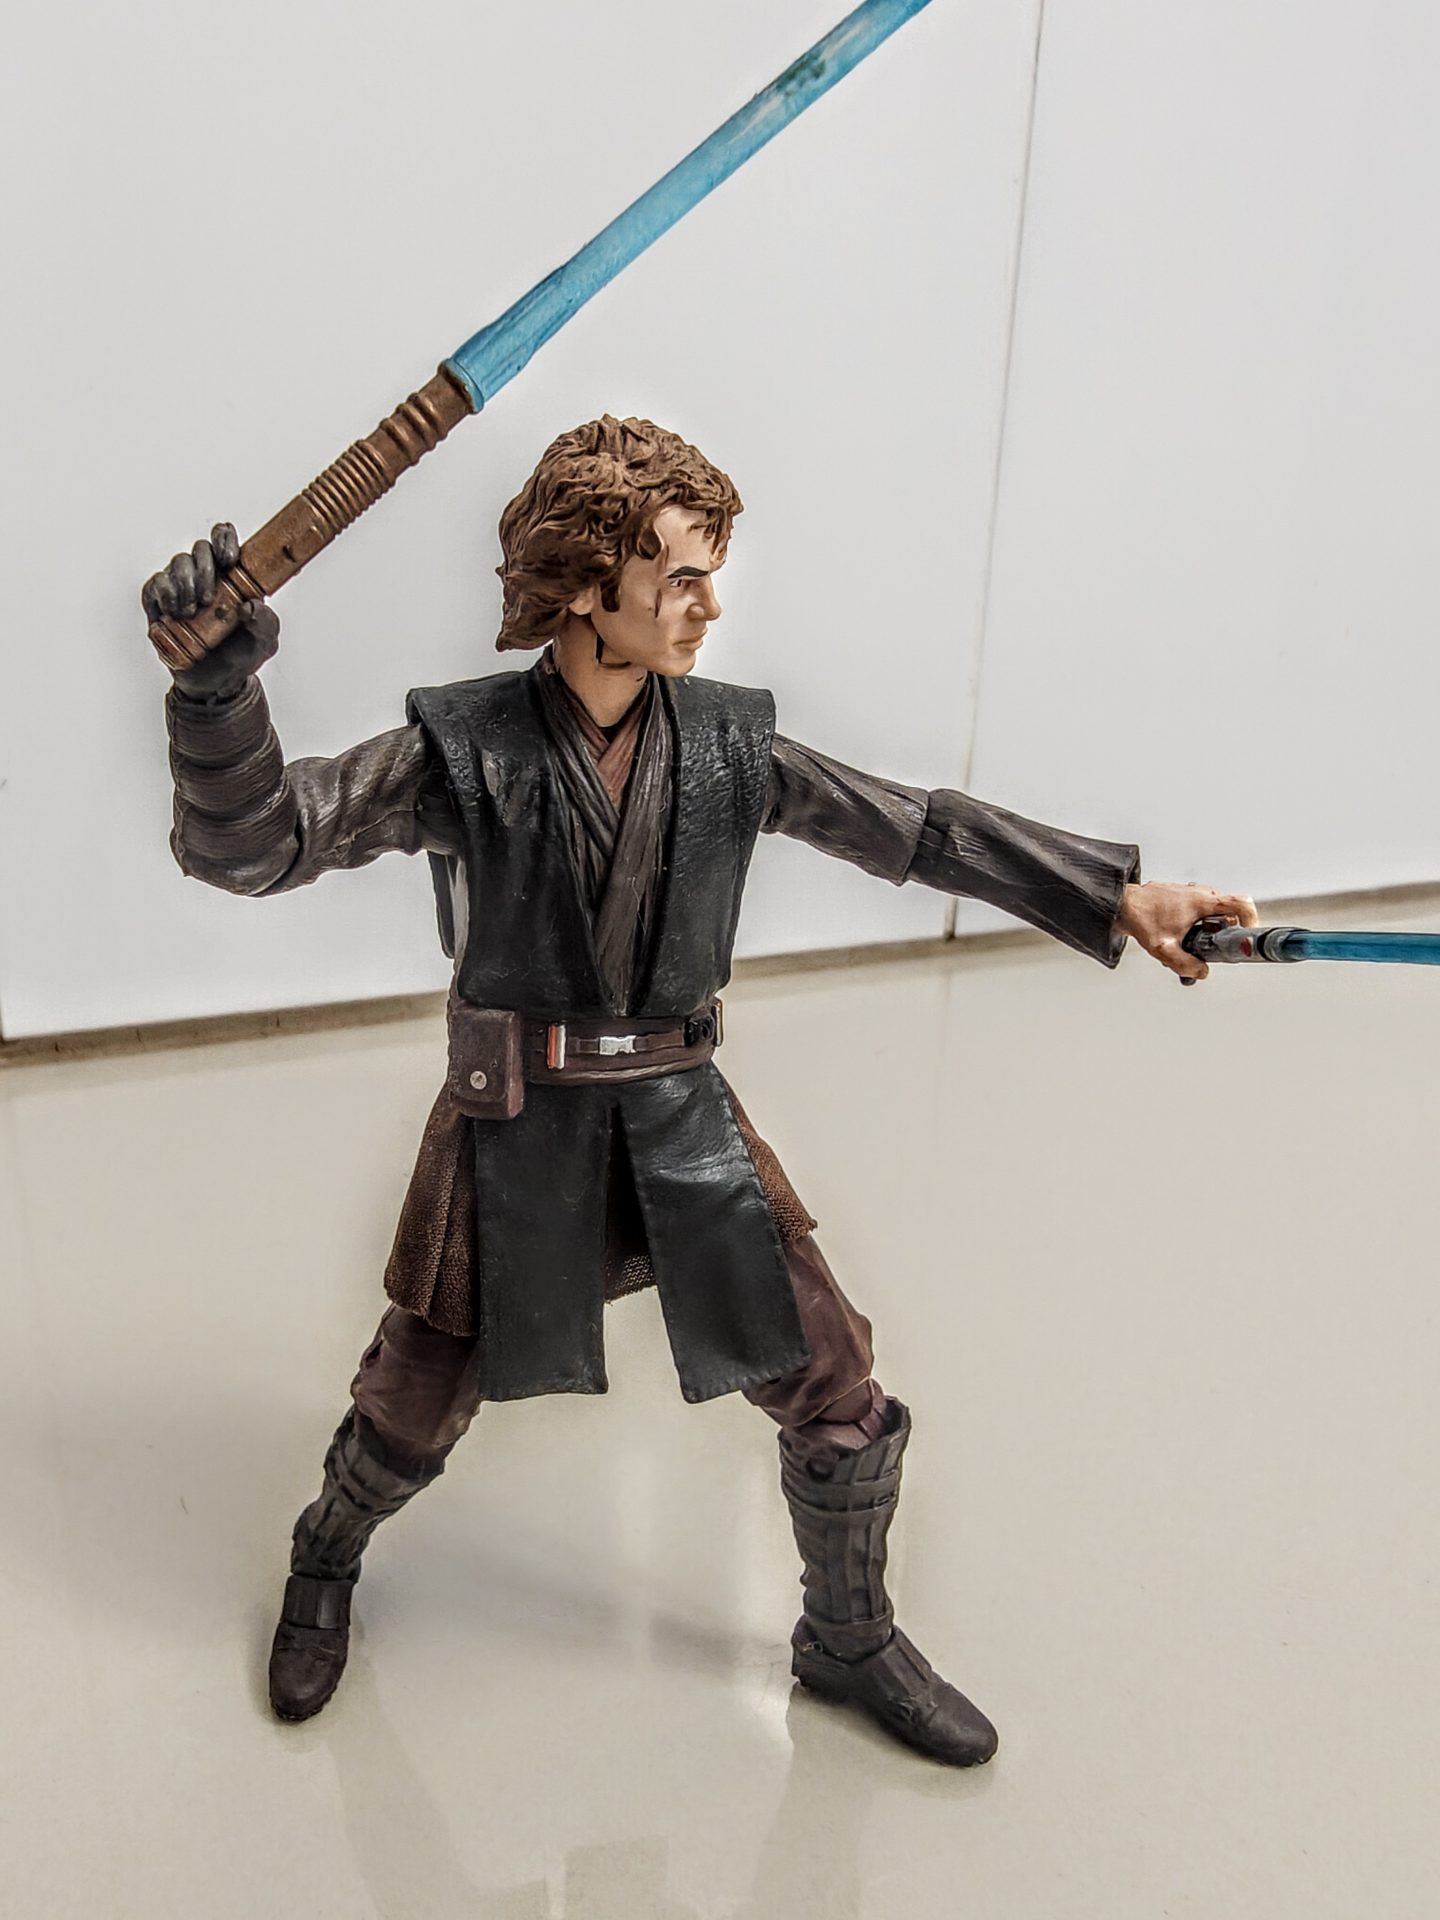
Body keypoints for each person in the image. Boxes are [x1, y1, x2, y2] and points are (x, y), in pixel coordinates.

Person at [144, 414, 1255, 1763]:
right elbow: (257, 845)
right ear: (582, 582)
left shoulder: (731, 747)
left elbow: (915, 830)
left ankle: (847, 1638)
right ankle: (325, 1556)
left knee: (836, 1383)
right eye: (677, 576)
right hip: (516, 1126)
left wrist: (1117, 897)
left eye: (710, 574)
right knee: (413, 1401)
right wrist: (216, 697)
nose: (706, 606)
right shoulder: (463, 749)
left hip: (681, 1120)